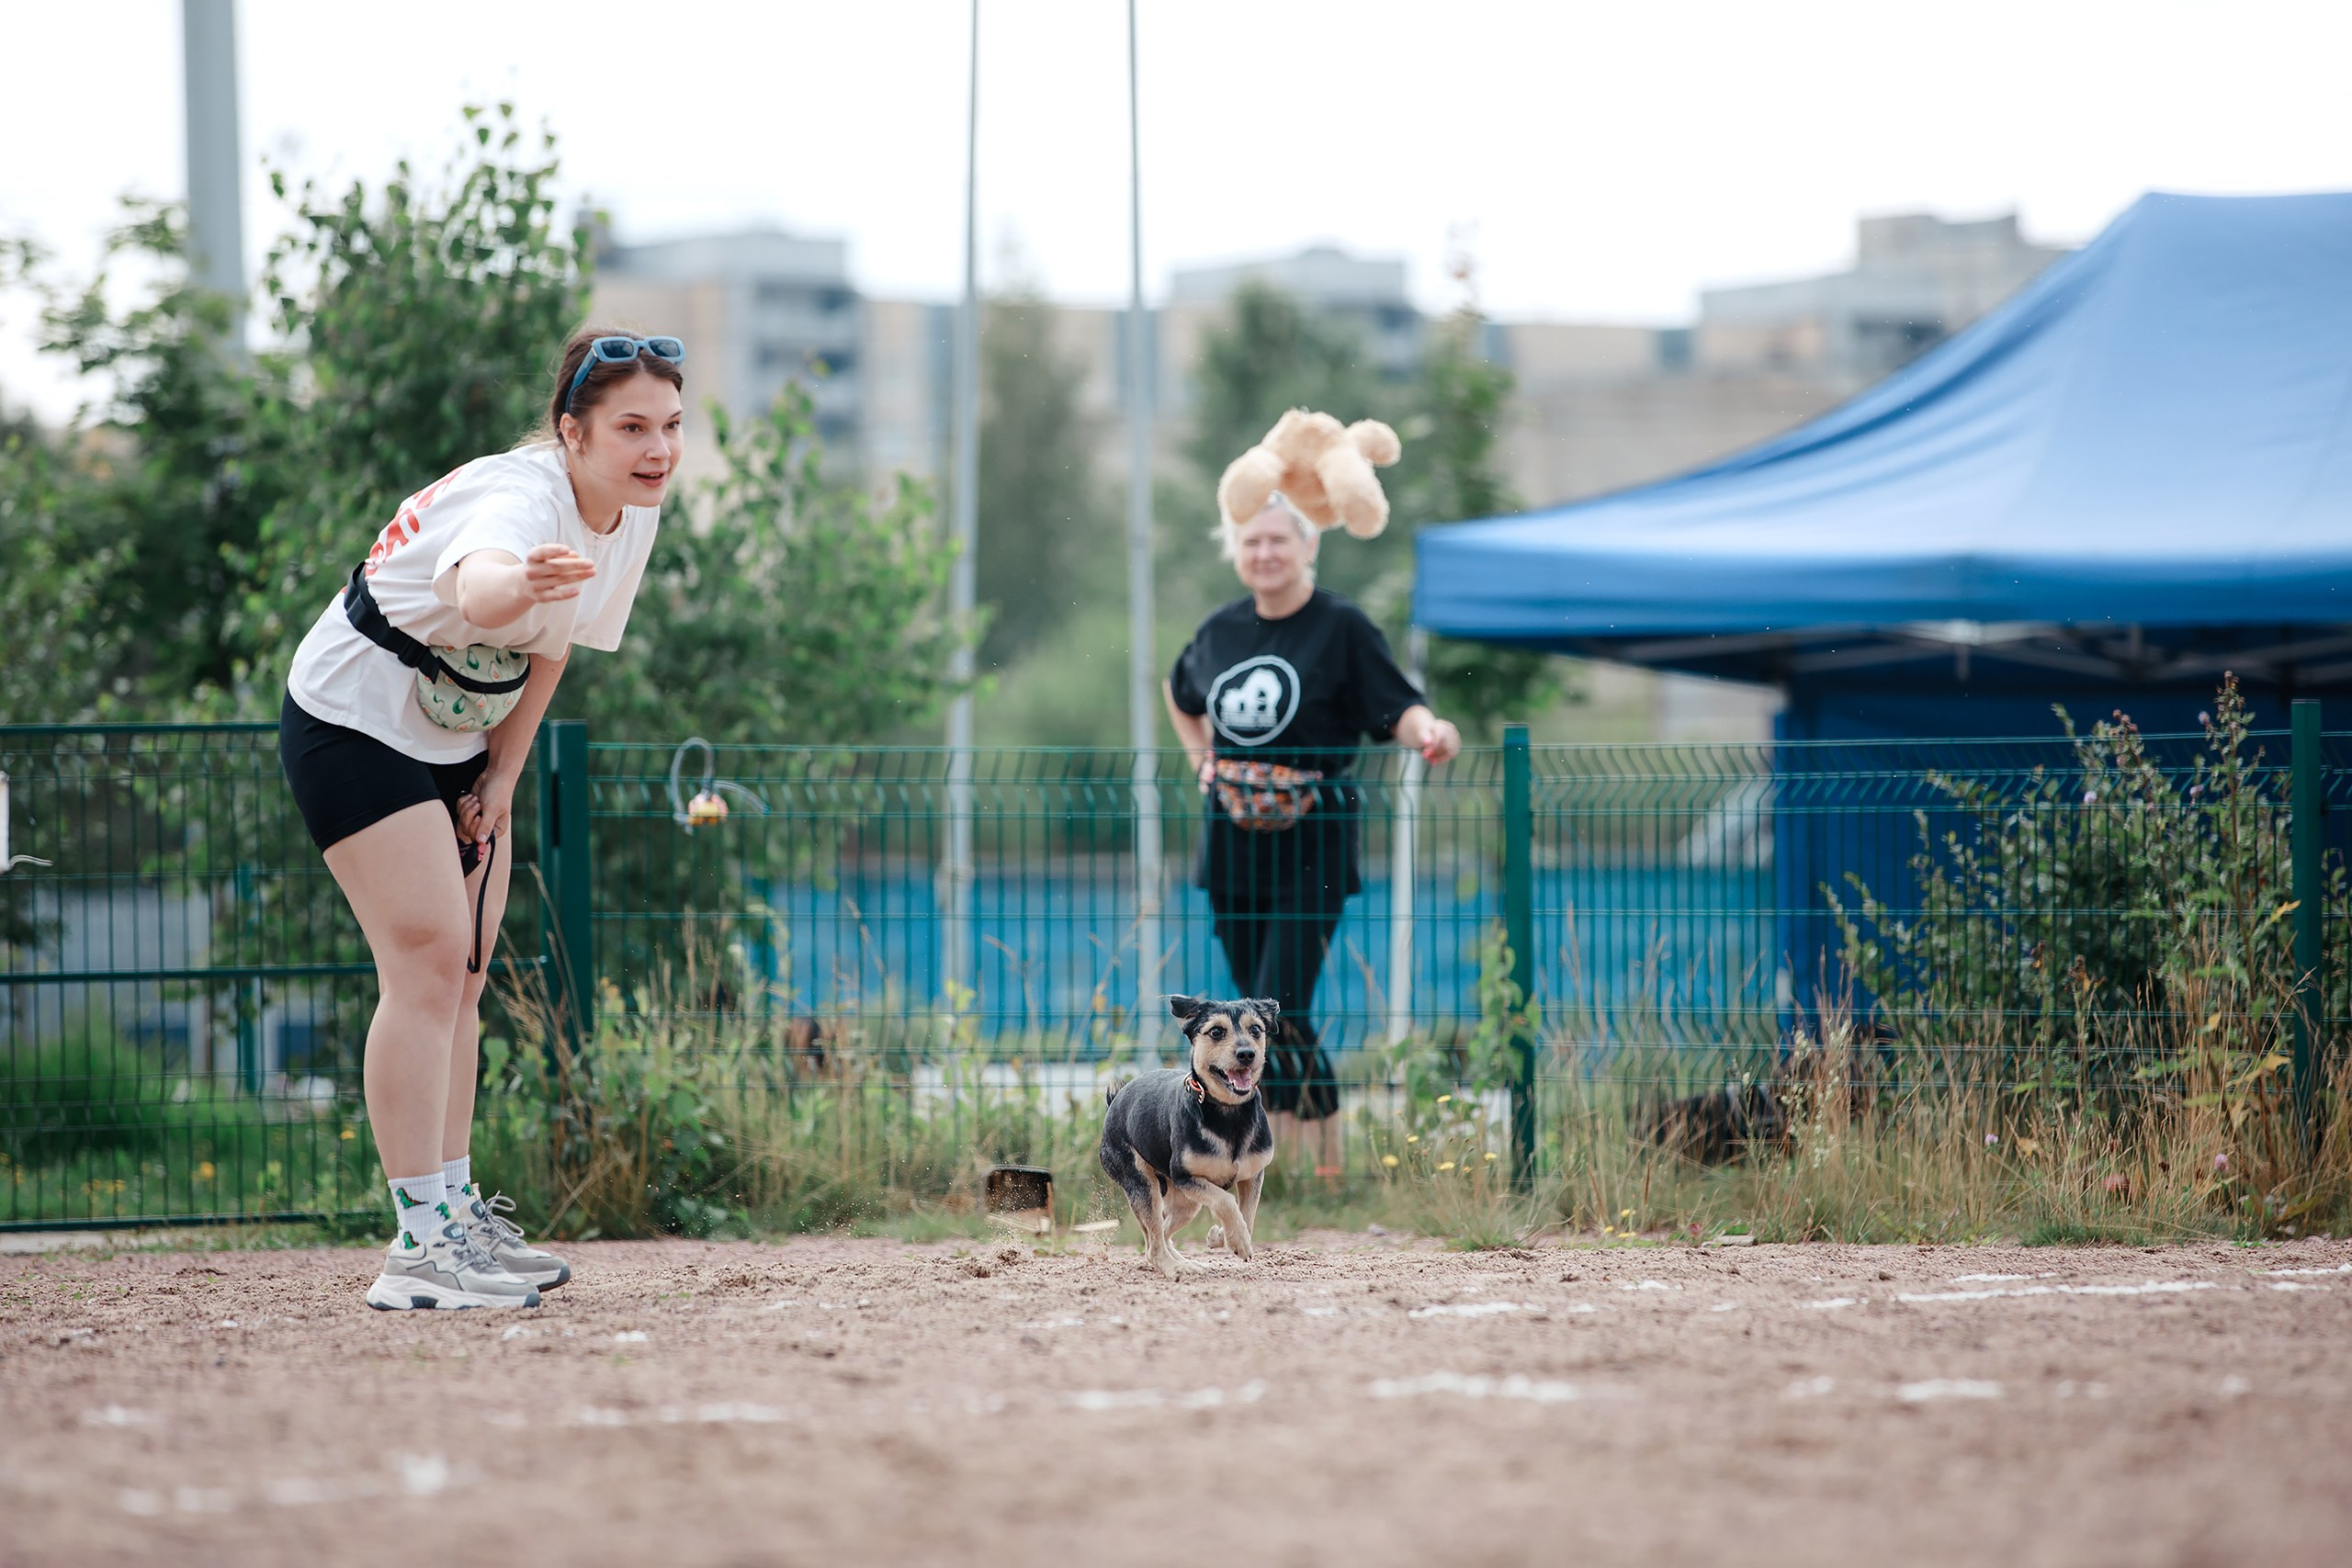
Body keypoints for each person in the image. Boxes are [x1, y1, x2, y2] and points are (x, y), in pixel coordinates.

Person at [279, 329, 684, 1309]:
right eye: (632, 427)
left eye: (671, 426)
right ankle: (417, 1249)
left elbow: (554, 647)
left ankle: (455, 1217)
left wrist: (503, 775)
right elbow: (480, 586)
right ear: (571, 431)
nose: (658, 448)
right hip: (353, 719)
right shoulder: (520, 497)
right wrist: (522, 581)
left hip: (460, 736)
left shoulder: (627, 510)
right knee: (423, 963)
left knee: (463, 976)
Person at [1164, 495, 1461, 1179]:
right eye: (1251, 542)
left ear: (1308, 547)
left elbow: (1397, 705)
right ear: (1237, 552)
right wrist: (1201, 760)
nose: (1264, 553)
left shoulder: (1340, 626)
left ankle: (1305, 1161)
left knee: (1280, 1005)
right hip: (1232, 843)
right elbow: (1181, 693)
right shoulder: (1219, 630)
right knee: (1259, 1008)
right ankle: (1314, 1165)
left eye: (1277, 540)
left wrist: (1429, 731)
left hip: (1313, 843)